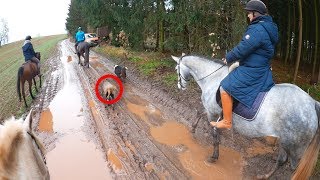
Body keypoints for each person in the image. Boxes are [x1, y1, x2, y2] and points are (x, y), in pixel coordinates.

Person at [211, 0, 279, 129]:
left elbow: (243, 48)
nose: (248, 16)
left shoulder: (257, 29)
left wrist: (228, 57)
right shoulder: (268, 28)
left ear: (255, 13)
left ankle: (227, 122)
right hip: (262, 68)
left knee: (225, 87)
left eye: (249, 13)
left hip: (253, 69)